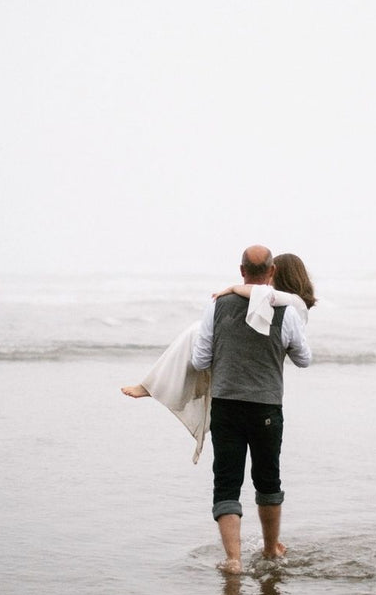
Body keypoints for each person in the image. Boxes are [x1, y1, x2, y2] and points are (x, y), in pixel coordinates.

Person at [121, 252, 315, 464]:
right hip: (254, 367)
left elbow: (267, 296)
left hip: (253, 374)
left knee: (195, 335)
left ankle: (158, 387)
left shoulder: (291, 303)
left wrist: (233, 289)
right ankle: (157, 386)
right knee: (195, 341)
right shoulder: (282, 302)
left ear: (278, 274)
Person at [191, 245, 313, 574]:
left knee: (227, 482)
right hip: (267, 407)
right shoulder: (286, 311)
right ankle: (271, 550)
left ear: (241, 270)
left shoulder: (217, 306)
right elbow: (304, 358)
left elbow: (199, 359)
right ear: (272, 272)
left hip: (227, 405)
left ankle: (233, 559)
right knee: (267, 480)